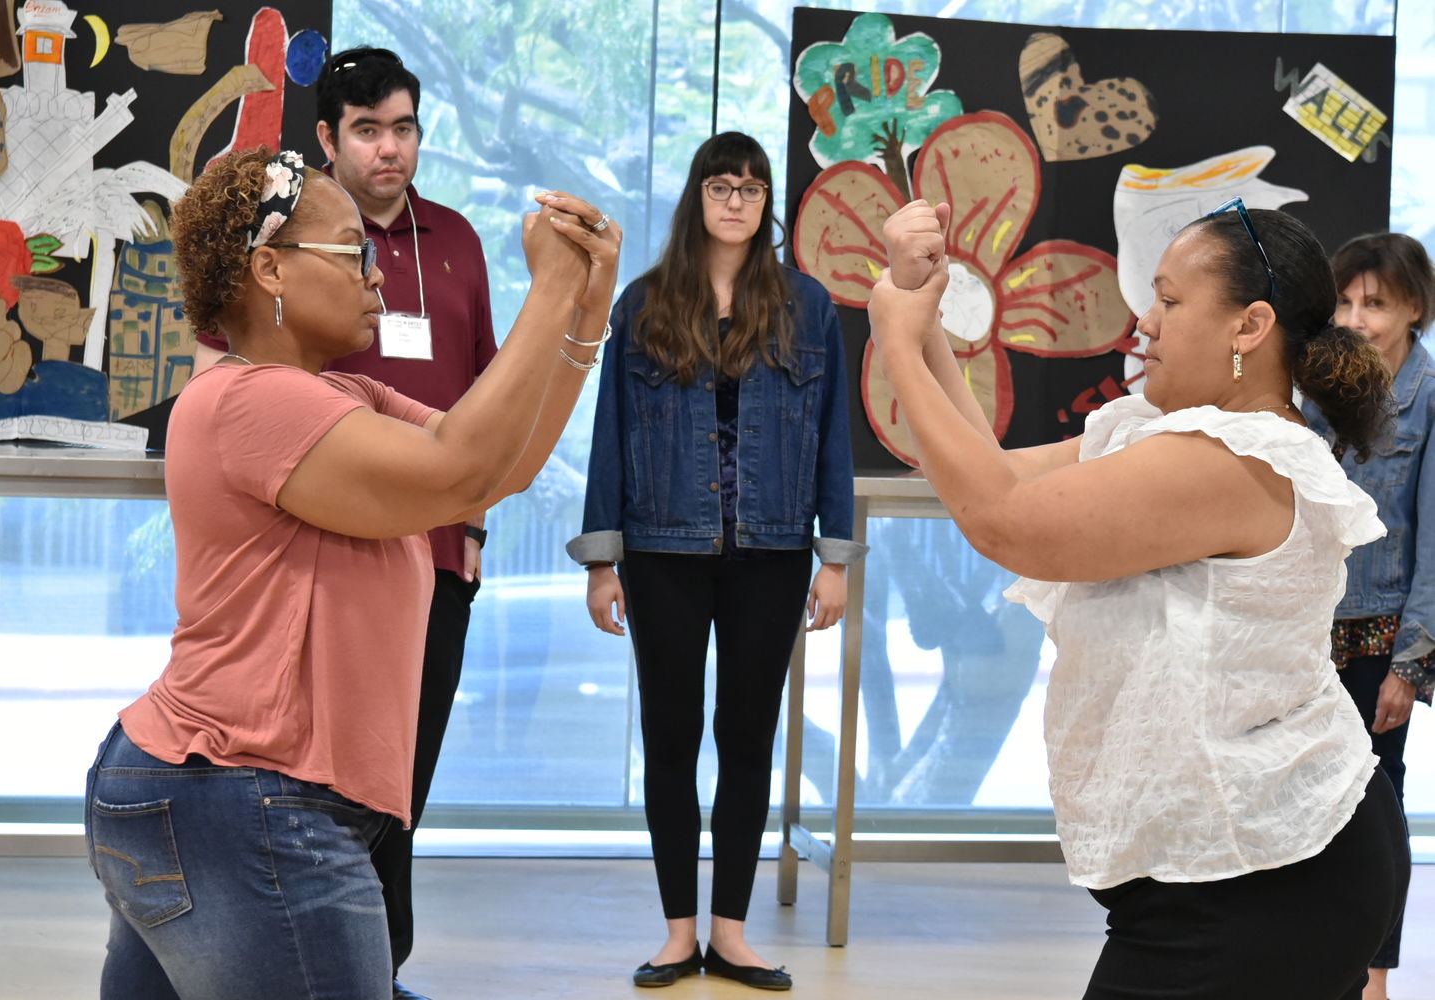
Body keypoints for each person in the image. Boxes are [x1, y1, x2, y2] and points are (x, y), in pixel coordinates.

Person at [86, 146, 620, 999]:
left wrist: (584, 306)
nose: (378, 279)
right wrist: (551, 290)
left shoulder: (344, 397)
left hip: (210, 793)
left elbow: (501, 466)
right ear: (270, 269)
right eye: (355, 254)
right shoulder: (249, 399)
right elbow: (459, 469)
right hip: (252, 796)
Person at [866, 197, 1409, 999]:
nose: (1143, 321)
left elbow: (1002, 523)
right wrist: (925, 323)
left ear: (1248, 328)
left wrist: (895, 335)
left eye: (1169, 299)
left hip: (1271, 874)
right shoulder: (1157, 429)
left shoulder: (1241, 457)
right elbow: (993, 474)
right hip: (1225, 871)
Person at [194, 48, 497, 1000]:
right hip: (316, 538)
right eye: (368, 130)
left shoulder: (453, 240)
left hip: (435, 550)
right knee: (317, 780)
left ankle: (379, 963)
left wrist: (471, 529)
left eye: (403, 127)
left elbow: (482, 407)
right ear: (326, 141)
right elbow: (227, 384)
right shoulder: (276, 241)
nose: (390, 148)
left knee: (398, 781)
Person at [567, 131, 864, 992]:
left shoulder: (809, 308)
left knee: (747, 738)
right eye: (720, 184)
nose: (736, 199)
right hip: (661, 550)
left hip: (771, 553)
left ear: (768, 201)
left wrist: (834, 559)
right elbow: (610, 438)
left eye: (751, 186)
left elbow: (832, 443)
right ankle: (677, 932)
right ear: (697, 196)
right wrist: (601, 560)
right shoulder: (645, 302)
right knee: (670, 737)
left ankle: (730, 933)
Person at [1302, 232, 1435, 1000]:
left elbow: (1433, 548)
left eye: (1375, 303)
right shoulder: (1317, 390)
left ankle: (1373, 974)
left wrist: (1410, 669)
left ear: (1414, 308)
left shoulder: (1428, 399)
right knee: (1303, 805)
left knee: (1375, 817)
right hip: (1299, 641)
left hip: (1377, 647)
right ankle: (1314, 963)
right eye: (1345, 302)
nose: (1356, 318)